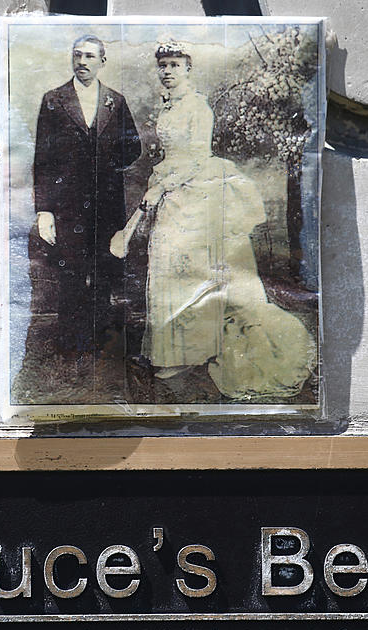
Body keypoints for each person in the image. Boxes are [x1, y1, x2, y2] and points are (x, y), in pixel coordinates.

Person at [111, 41, 315, 400]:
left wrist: (161, 189)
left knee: (195, 270)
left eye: (176, 64)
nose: (168, 71)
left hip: (199, 195)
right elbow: (172, 155)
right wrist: (158, 185)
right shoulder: (168, 106)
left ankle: (201, 348)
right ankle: (177, 353)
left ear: (189, 68)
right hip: (174, 193)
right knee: (170, 268)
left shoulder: (198, 108)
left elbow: (196, 158)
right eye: (164, 65)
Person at [32, 34, 141, 358]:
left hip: (107, 204)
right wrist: (45, 211)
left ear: (102, 62)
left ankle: (102, 343)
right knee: (72, 273)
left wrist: (107, 164)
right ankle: (71, 344)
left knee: (105, 271)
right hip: (67, 205)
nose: (82, 62)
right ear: (72, 59)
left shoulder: (115, 102)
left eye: (90, 56)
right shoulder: (54, 100)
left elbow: (133, 146)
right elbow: (42, 159)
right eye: (78, 55)